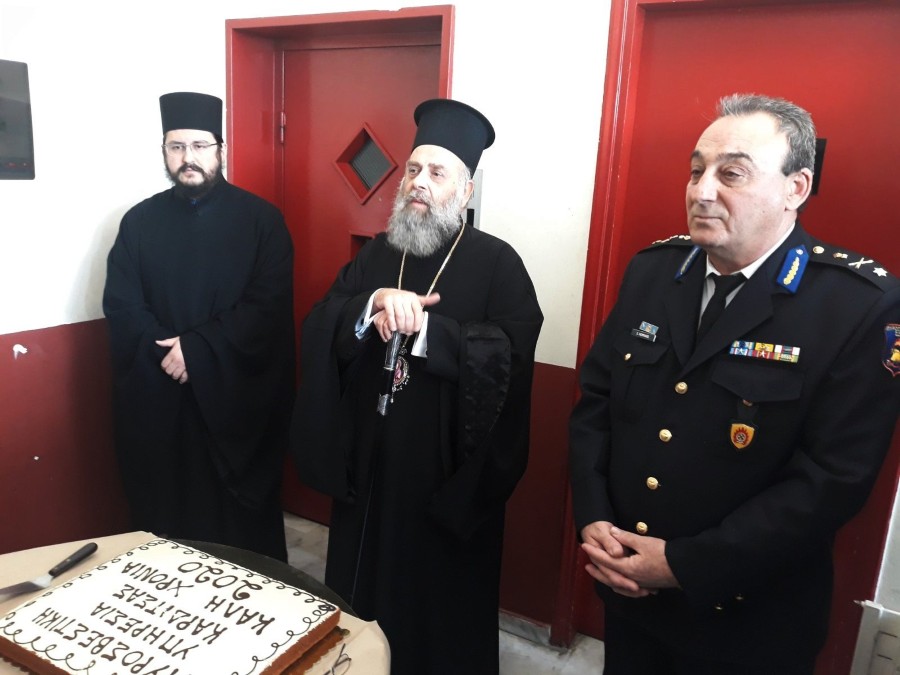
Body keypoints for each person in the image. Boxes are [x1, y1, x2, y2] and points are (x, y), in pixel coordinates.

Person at [569, 93, 900, 674]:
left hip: (748, 620)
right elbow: (596, 403)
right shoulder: (653, 272)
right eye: (696, 170)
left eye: (732, 174)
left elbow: (832, 480)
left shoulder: (858, 306)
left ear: (796, 188)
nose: (701, 191)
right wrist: (594, 519)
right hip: (629, 592)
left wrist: (685, 565)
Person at [291, 98, 543, 674]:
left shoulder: (499, 264)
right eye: (412, 169)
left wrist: (429, 332)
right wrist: (371, 304)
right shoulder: (379, 254)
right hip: (369, 465)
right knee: (361, 601)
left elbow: (512, 354)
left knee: (435, 617)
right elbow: (323, 319)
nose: (419, 183)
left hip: (442, 476)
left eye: (437, 172)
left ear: (466, 190)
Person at [103, 92, 295, 561]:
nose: (188, 157)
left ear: (220, 150)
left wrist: (199, 349)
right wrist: (170, 355)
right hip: (161, 394)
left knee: (240, 544)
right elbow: (123, 305)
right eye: (176, 146)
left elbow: (266, 307)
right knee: (167, 527)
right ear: (164, 151)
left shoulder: (262, 222)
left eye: (200, 145)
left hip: (234, 401)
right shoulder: (138, 222)